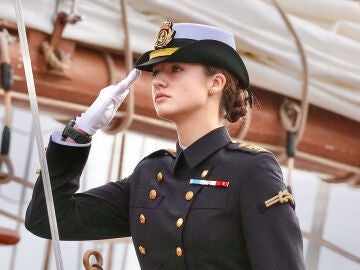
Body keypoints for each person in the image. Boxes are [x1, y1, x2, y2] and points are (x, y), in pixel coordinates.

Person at [25, 20, 306, 270]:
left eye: (176, 68)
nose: (158, 80)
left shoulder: (251, 170)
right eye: (156, 72)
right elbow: (47, 218)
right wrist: (82, 130)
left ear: (216, 82)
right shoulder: (150, 175)